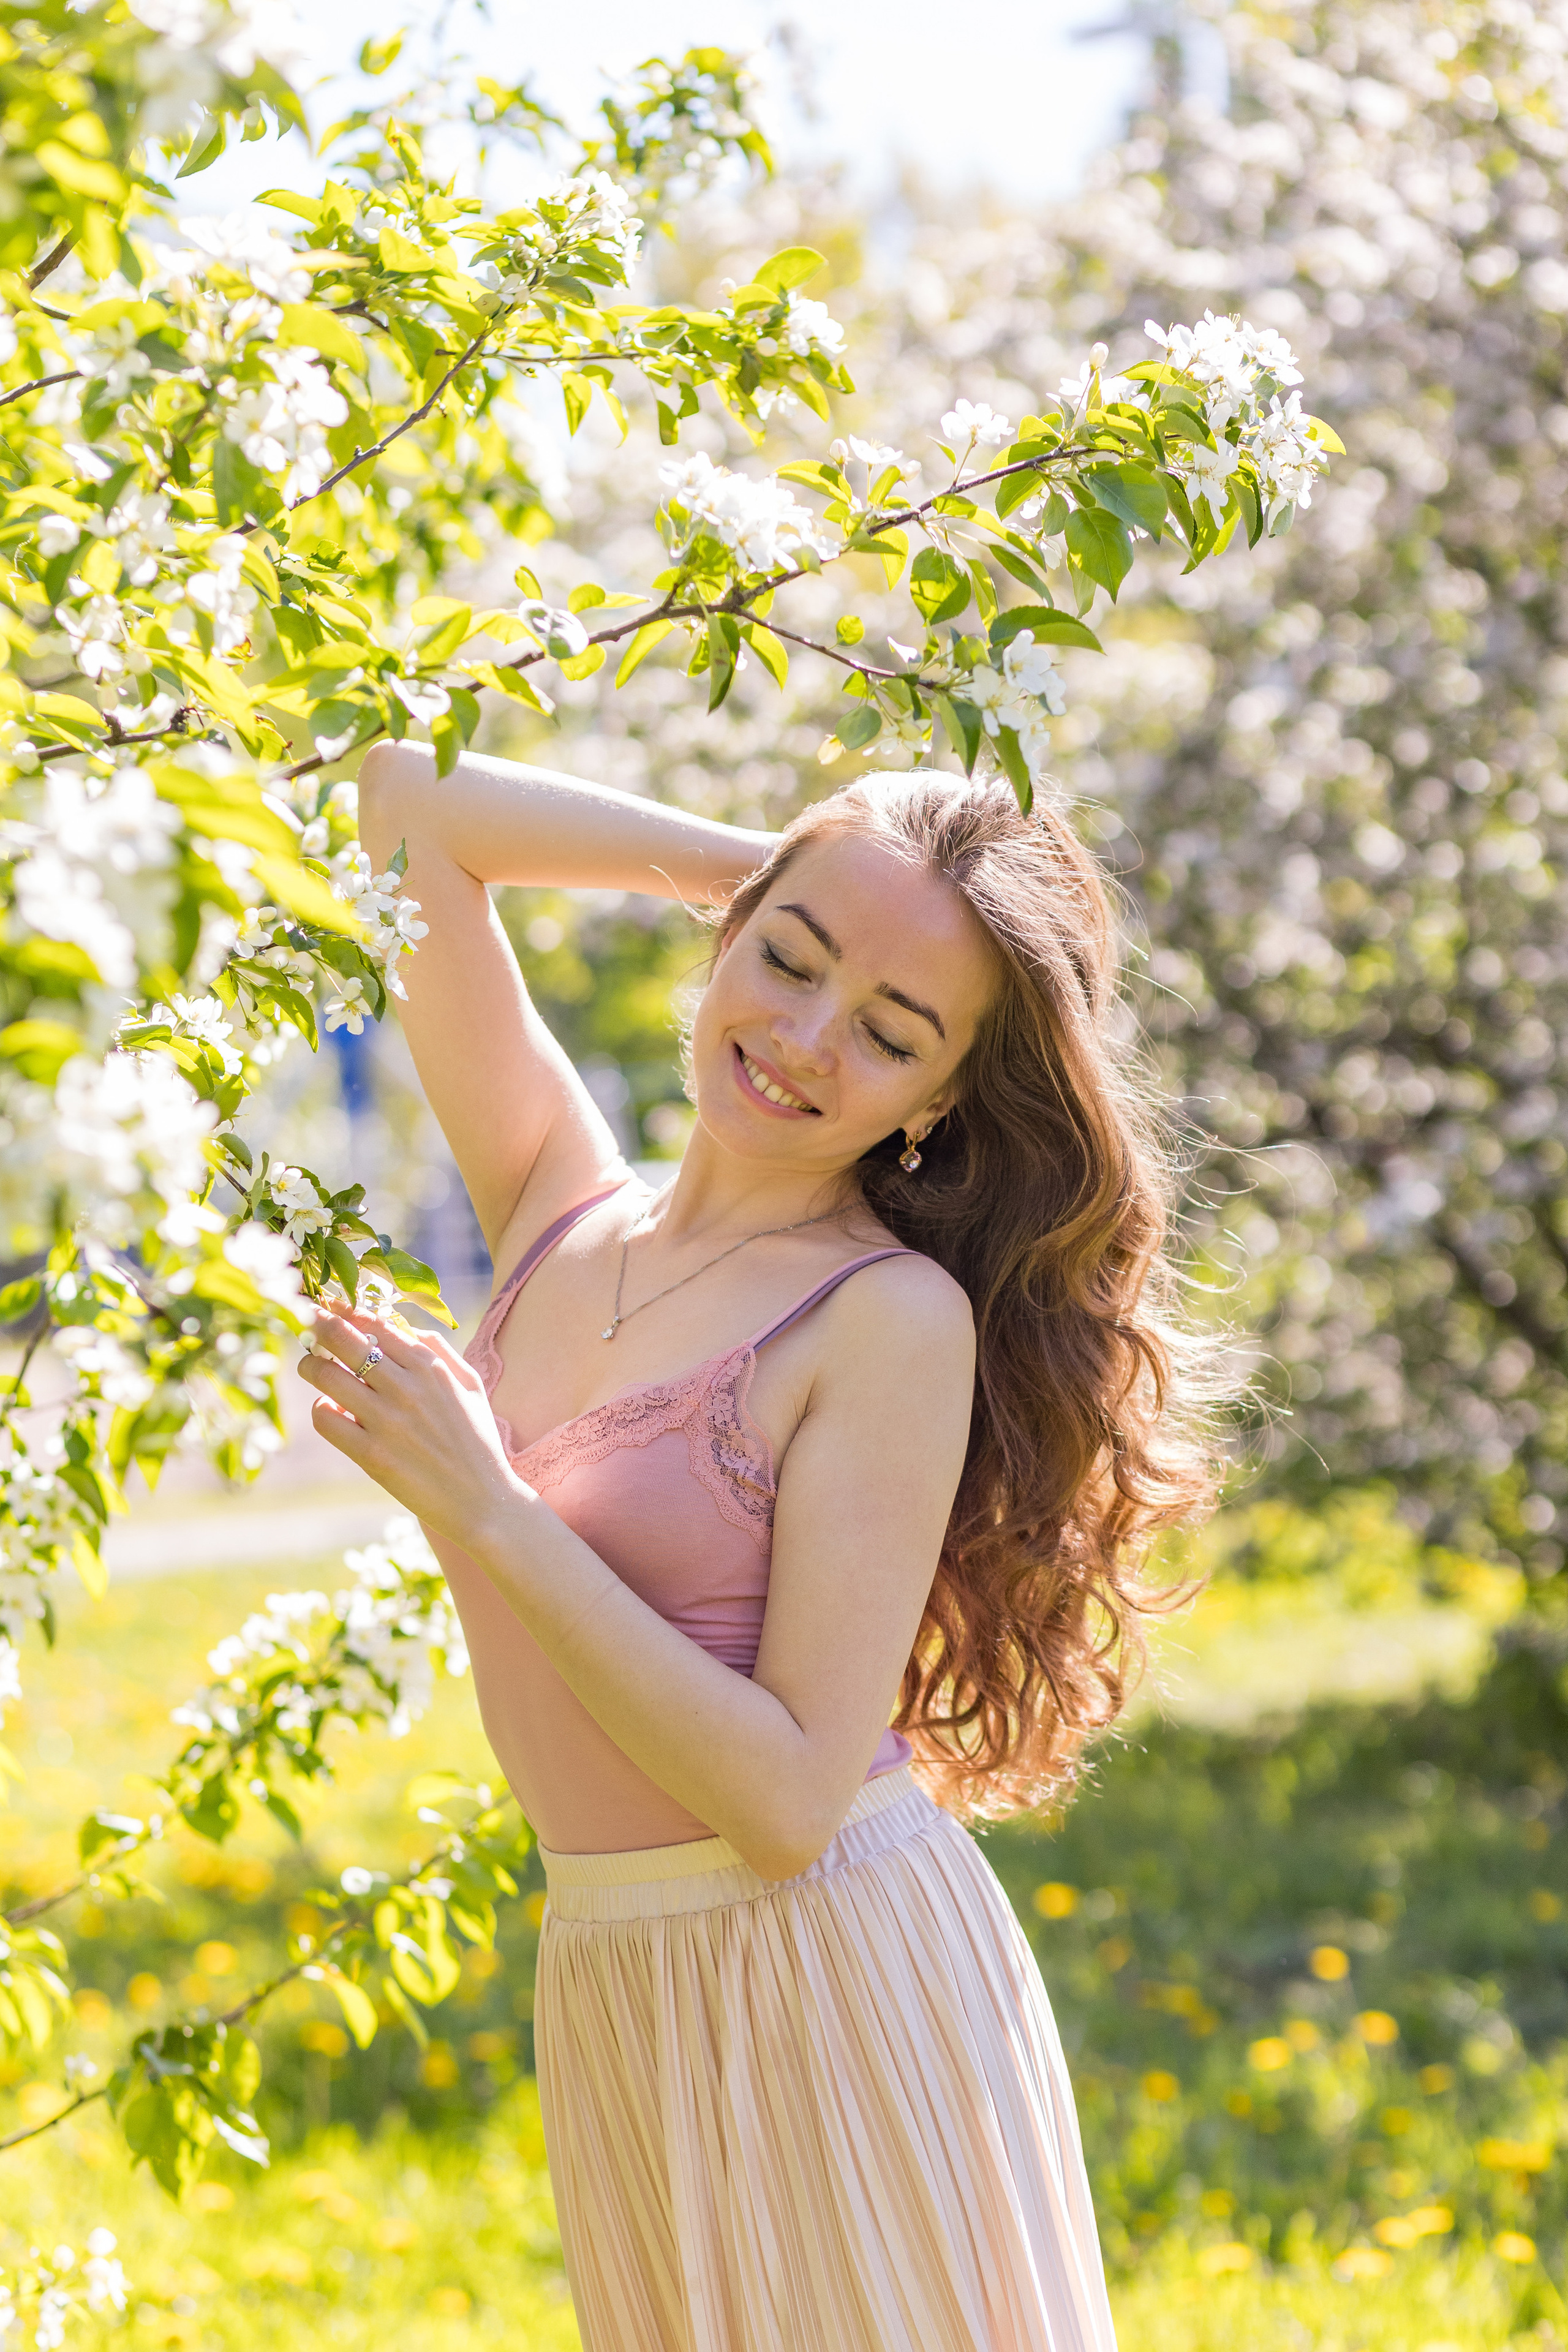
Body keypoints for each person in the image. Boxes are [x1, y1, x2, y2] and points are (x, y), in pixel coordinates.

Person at [299, 747, 1217, 2352]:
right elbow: (406, 809)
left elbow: (792, 1802)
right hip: (615, 1974)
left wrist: (489, 1510)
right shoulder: (555, 1205)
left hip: (825, 1978)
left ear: (938, 1103)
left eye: (891, 1031)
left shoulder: (882, 1319)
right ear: (728, 928)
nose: (803, 1039)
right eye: (787, 958)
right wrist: (804, 863)